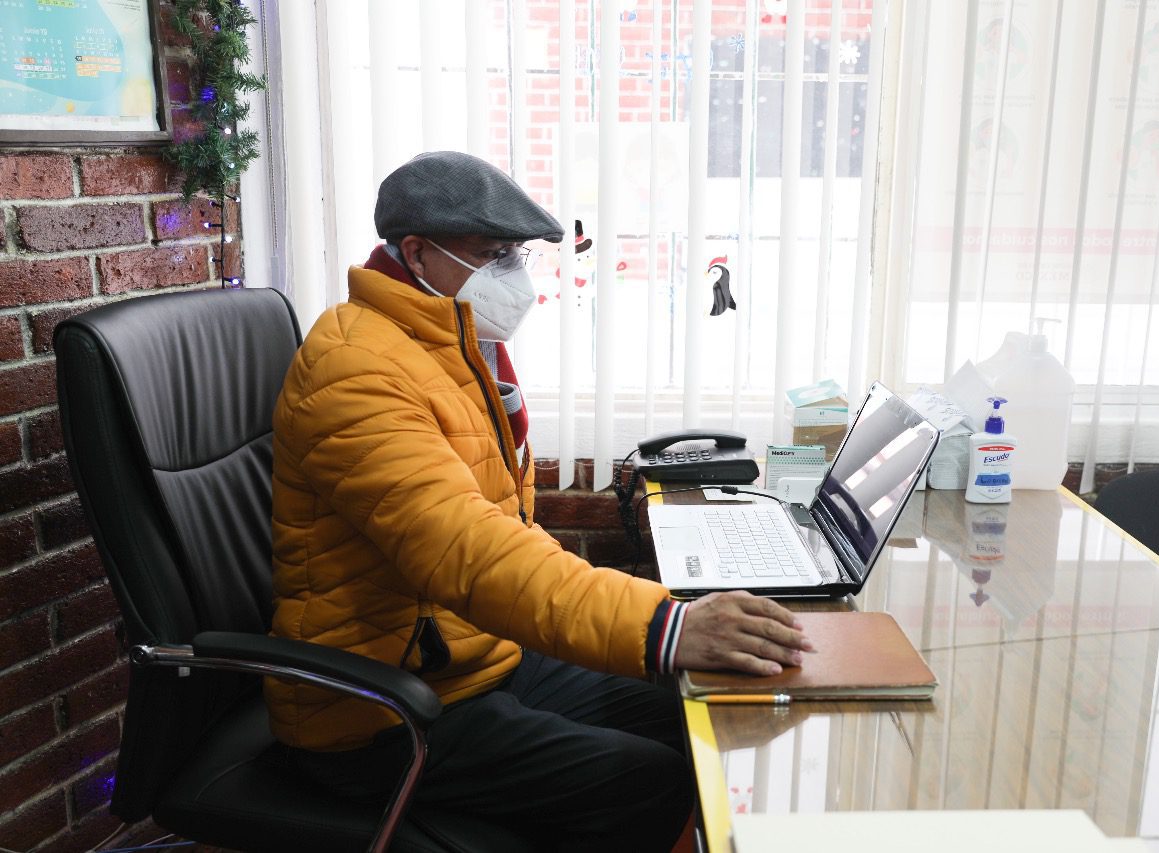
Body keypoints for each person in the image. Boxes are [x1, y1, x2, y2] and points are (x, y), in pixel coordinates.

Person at [267, 151, 811, 851]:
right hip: (377, 709)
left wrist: (669, 634)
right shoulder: (355, 368)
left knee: (687, 701)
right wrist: (666, 625)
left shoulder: (451, 345)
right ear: (417, 253)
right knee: (648, 779)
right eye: (492, 255)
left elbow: (507, 526)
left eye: (516, 255)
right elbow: (467, 549)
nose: (513, 276)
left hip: (468, 659)